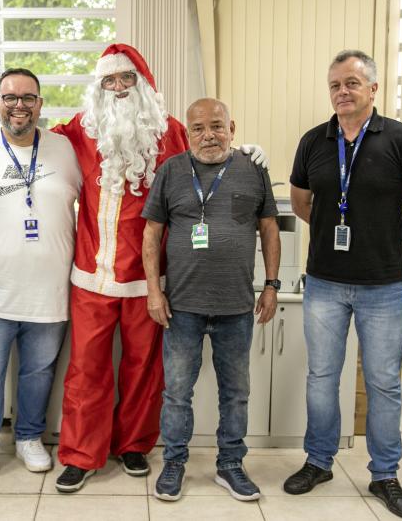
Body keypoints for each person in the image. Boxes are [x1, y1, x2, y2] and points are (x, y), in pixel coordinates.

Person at [52, 44, 269, 492]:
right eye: (109, 81)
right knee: (86, 369)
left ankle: (134, 445)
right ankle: (80, 455)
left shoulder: (167, 131)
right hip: (92, 274)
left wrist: (244, 149)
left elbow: (208, 148)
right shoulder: (80, 128)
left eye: (126, 80)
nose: (118, 89)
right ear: (99, 87)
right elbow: (34, 143)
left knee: (146, 369)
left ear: (143, 85)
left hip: (151, 279)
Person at [285, 50, 402, 520]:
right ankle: (318, 461)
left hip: (383, 287)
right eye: (334, 84)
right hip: (325, 285)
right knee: (321, 379)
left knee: (382, 384)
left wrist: (386, 242)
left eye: (352, 83)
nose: (342, 92)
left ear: (373, 89)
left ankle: (386, 474)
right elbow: (300, 204)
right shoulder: (314, 141)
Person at [0, 68, 81, 489]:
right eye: (10, 97)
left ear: (40, 104)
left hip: (50, 290)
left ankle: (28, 438)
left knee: (38, 373)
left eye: (28, 98)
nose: (19, 105)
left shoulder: (66, 150)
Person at [142, 98, 281, 502]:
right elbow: (151, 234)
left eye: (217, 126)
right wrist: (154, 290)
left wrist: (271, 284)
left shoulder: (253, 170)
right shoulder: (170, 172)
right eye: (199, 128)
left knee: (235, 392)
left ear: (232, 127)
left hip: (236, 307)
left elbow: (269, 229)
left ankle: (231, 465)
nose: (209, 135)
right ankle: (174, 463)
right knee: (177, 393)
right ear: (187, 134)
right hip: (181, 306)